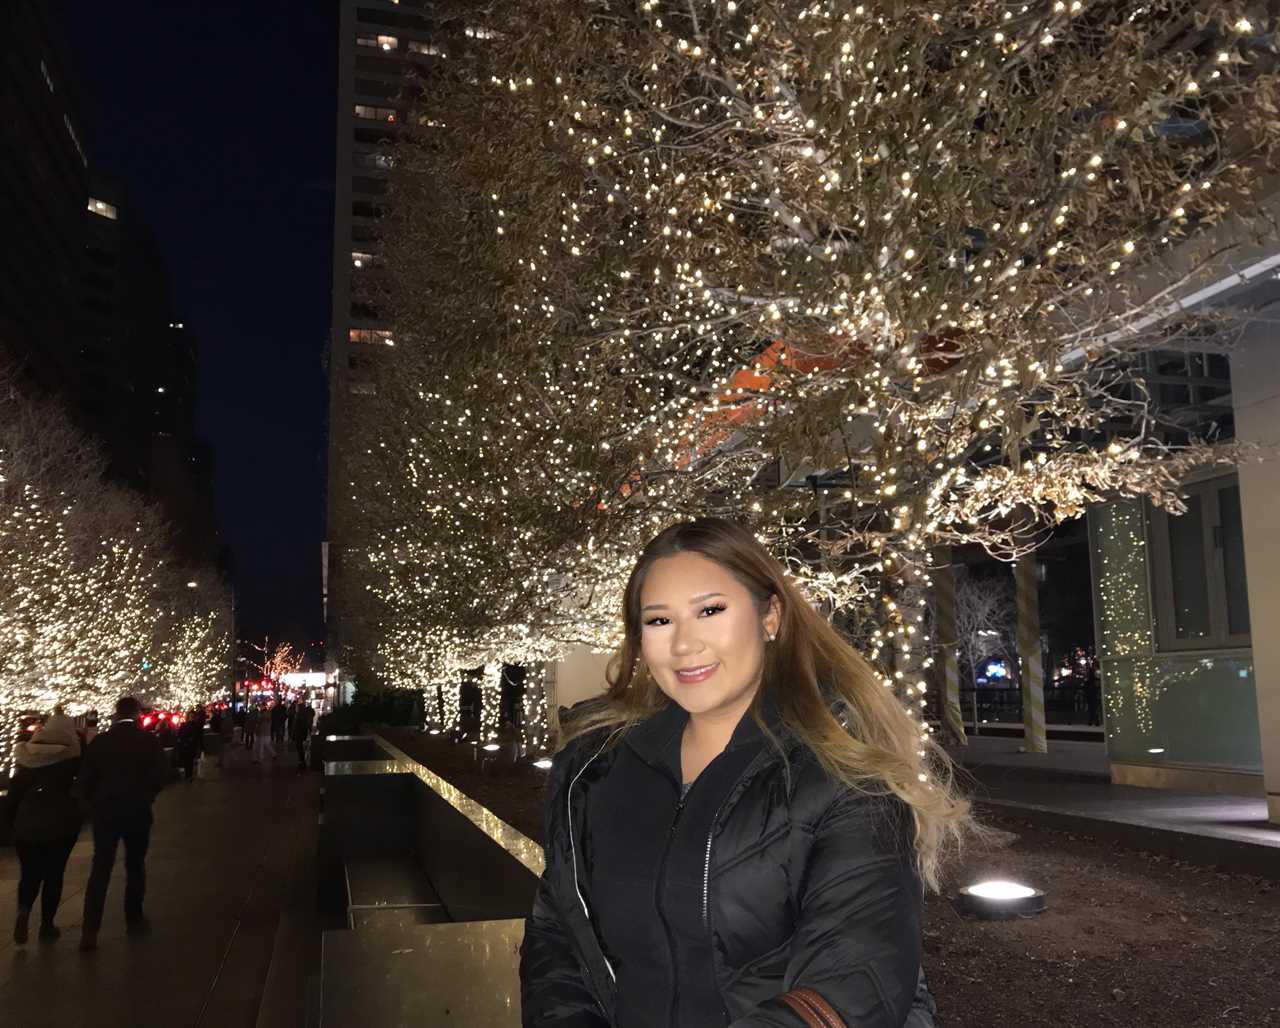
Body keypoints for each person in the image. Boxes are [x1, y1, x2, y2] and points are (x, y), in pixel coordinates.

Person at [520, 518, 979, 1028]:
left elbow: (855, 983)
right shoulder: (596, 770)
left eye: (710, 611)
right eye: (659, 621)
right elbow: (559, 934)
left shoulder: (845, 776)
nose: (684, 645)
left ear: (770, 617)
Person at [78, 696, 170, 951]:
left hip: (106, 812)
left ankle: (90, 928)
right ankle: (134, 917)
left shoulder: (101, 742)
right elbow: (162, 774)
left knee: (101, 868)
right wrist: (148, 794)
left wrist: (94, 802)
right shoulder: (147, 741)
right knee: (135, 864)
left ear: (117, 714)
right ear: (138, 714)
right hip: (137, 811)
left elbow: (86, 778)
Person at [5, 713, 83, 944]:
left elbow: (12, 799)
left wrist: (13, 826)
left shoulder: (26, 761)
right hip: (61, 826)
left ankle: (23, 912)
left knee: (29, 874)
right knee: (54, 875)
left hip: (27, 826)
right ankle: (47, 924)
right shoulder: (71, 763)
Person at [291, 702, 315, 772]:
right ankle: (302, 761)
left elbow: (297, 726)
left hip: (299, 734)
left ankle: (302, 761)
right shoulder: (303, 715)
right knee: (300, 748)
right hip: (301, 734)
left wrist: (294, 733)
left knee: (300, 748)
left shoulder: (300, 716)